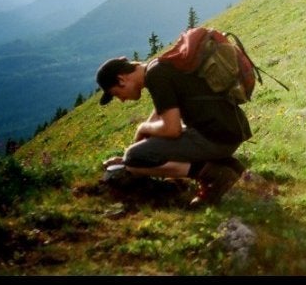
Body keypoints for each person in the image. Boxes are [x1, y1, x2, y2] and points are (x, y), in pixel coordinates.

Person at [95, 55, 252, 206]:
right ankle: (226, 164)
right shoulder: (158, 67)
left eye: (117, 94)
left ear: (122, 79)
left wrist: (140, 132)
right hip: (229, 131)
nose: (122, 99)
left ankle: (214, 176)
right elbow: (159, 113)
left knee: (134, 159)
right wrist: (131, 150)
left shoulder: (156, 76)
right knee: (134, 155)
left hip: (215, 138)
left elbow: (172, 130)